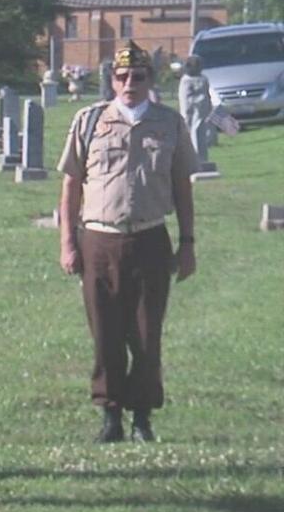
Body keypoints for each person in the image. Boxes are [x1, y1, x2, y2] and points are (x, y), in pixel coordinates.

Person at [56, 40, 199, 444]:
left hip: (150, 240)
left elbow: (182, 187)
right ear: (112, 81)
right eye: (121, 77)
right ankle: (110, 415)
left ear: (150, 80)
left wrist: (187, 244)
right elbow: (70, 187)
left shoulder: (169, 123)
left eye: (137, 76)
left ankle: (142, 418)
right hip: (99, 241)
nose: (129, 83)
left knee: (146, 334)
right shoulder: (89, 121)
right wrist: (67, 243)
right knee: (106, 333)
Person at [177, 55, 213, 162]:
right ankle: (192, 159)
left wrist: (207, 105)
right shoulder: (186, 81)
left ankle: (201, 159)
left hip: (201, 111)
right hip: (189, 111)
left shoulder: (203, 79)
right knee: (189, 130)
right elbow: (186, 99)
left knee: (200, 132)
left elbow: (207, 95)